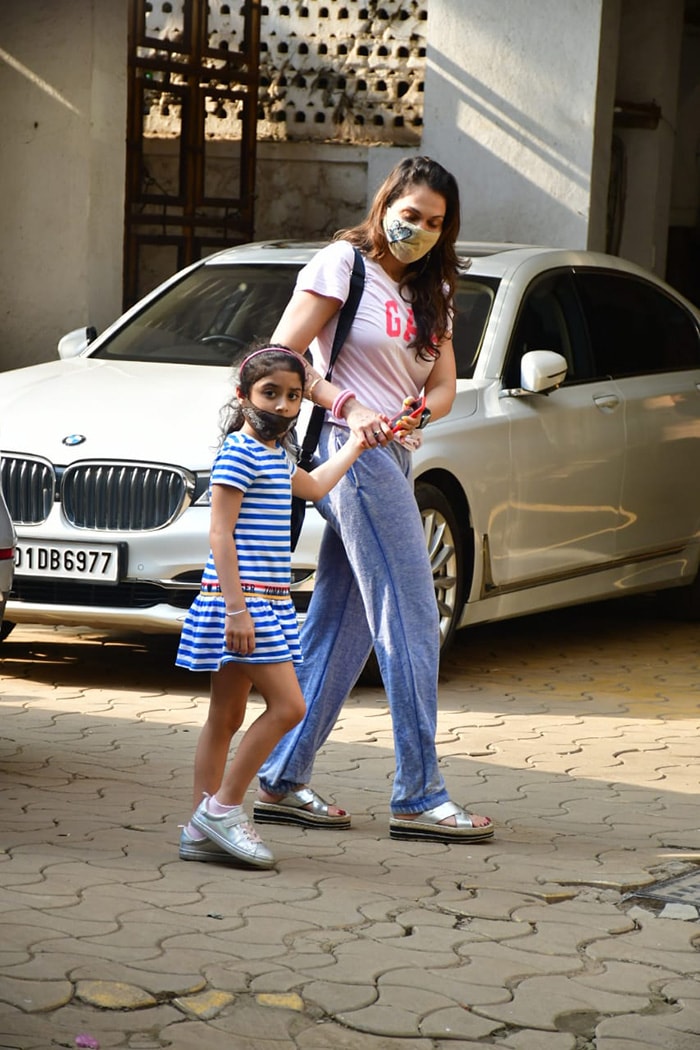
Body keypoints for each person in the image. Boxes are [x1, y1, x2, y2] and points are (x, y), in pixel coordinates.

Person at [254, 156, 494, 843]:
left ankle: (280, 776)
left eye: (435, 222)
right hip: (346, 451)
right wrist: (347, 401)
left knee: (344, 623)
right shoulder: (343, 265)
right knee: (413, 613)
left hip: (394, 455)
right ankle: (418, 793)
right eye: (411, 213)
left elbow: (446, 383)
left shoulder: (435, 291)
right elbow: (279, 357)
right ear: (387, 201)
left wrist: (424, 410)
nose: (418, 229)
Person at [176, 345, 367, 868]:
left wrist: (354, 442)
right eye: (270, 393)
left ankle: (198, 828)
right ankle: (224, 808)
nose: (283, 406)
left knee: (227, 715)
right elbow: (220, 533)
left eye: (293, 396)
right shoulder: (238, 452)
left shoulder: (278, 455)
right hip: (243, 604)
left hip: (266, 602)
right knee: (290, 708)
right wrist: (236, 610)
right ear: (242, 396)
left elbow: (317, 484)